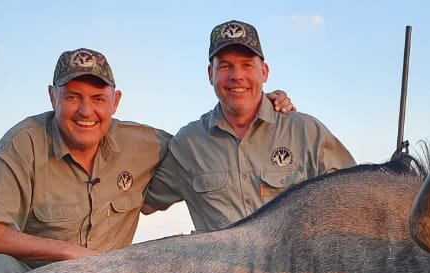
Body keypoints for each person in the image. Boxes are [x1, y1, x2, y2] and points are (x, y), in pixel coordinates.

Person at [0, 48, 295, 273]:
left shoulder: (144, 143)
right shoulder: (23, 143)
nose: (85, 111)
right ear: (53, 97)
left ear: (115, 101)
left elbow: (205, 145)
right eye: (73, 97)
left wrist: (254, 106)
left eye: (97, 99)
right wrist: (68, 254)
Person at [143, 20, 355, 232]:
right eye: (225, 66)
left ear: (264, 71)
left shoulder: (306, 132)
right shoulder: (188, 144)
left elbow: (356, 197)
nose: (237, 76)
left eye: (247, 65)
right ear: (210, 74)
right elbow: (141, 202)